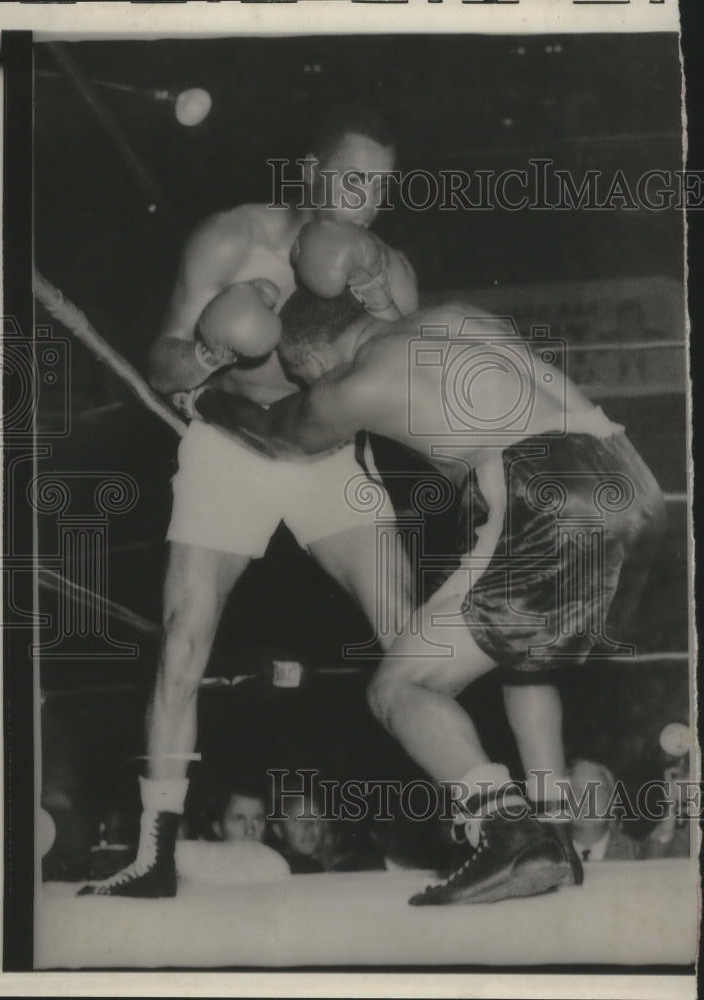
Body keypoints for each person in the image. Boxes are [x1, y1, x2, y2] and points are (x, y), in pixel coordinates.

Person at [189, 254, 666, 905]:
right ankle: (552, 830)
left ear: (313, 361)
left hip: (544, 492)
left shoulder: (348, 384)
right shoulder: (450, 315)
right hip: (629, 480)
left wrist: (205, 397)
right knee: (522, 660)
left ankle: (505, 826)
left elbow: (280, 434)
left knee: (397, 685)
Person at [78, 106, 418, 897]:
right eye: (351, 178)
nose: (364, 199)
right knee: (184, 639)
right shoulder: (232, 239)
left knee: (413, 638)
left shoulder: (386, 271)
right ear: (308, 171)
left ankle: (487, 822)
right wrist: (207, 349)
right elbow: (162, 361)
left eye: (380, 186)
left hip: (325, 455)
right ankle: (153, 849)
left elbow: (414, 386)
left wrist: (388, 316)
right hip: (228, 449)